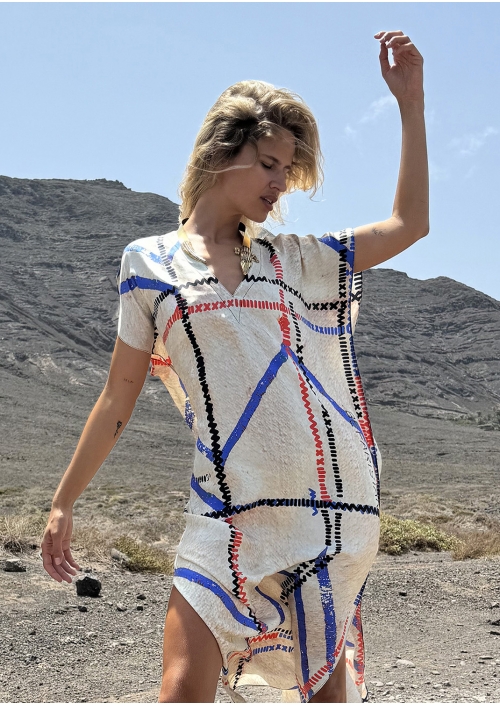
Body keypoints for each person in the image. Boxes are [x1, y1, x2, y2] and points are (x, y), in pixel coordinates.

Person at [41, 29, 428, 704]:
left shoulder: (295, 259)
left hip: (317, 517)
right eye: (269, 163)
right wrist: (62, 501)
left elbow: (409, 224)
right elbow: (116, 397)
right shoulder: (148, 265)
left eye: (288, 170)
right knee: (180, 689)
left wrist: (410, 105)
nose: (280, 183)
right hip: (222, 515)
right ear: (222, 153)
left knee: (323, 697)